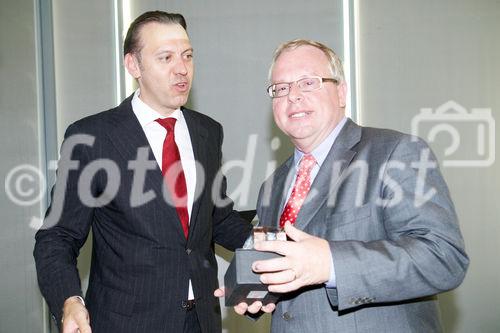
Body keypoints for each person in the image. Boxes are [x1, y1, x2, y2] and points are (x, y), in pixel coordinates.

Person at [220, 39, 469, 332]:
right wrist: (259, 291)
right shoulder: (272, 186)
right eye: (281, 88)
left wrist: (331, 263)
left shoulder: (395, 153)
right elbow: (290, 268)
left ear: (341, 92)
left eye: (308, 82)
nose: (293, 96)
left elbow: (443, 258)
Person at [34, 11, 252, 333]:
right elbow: (58, 236)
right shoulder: (92, 138)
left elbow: (215, 218)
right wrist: (69, 300)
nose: (182, 69)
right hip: (128, 323)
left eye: (187, 56)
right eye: (166, 57)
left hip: (202, 321)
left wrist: (274, 244)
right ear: (134, 66)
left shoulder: (207, 132)